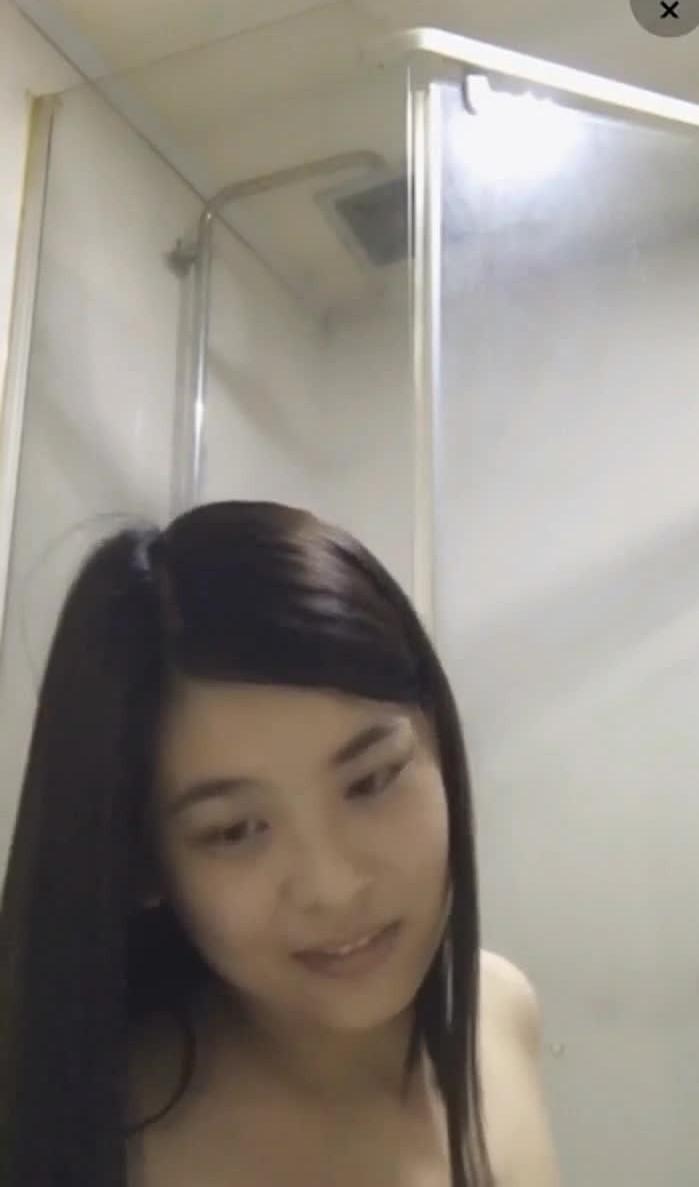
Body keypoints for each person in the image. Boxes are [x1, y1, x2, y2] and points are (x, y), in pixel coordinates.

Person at [0, 500, 561, 1187]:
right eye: (235, 831)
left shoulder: (499, 1010)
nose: (334, 886)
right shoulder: (105, 1141)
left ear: (440, 743)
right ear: (145, 865)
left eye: (372, 780)